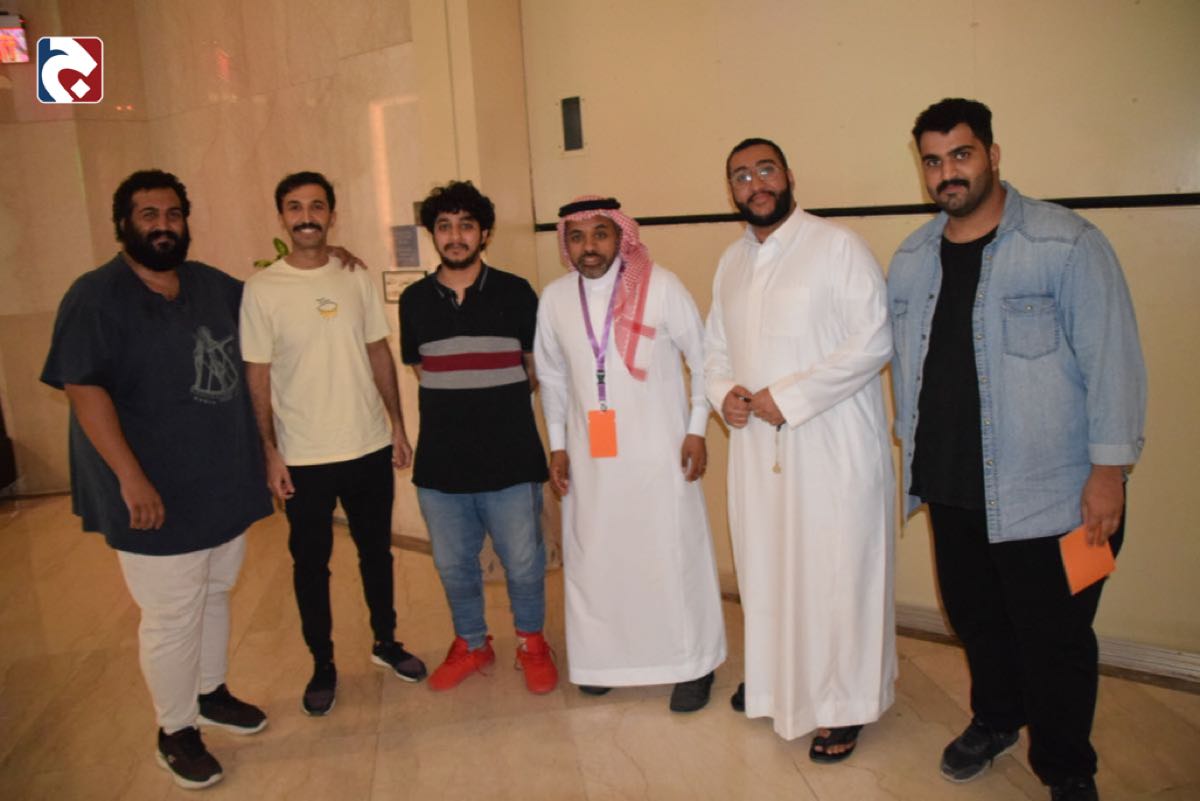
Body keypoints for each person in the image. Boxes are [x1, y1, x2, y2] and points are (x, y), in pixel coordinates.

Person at [887, 98, 1146, 801]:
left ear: (993, 155)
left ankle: (1066, 767)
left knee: (1056, 639)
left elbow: (1114, 364)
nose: (947, 172)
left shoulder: (1067, 244)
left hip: (1050, 492)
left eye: (961, 154)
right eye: (933, 161)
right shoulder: (911, 259)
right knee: (977, 622)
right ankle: (997, 718)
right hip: (951, 486)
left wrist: (1109, 474)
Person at [41, 169, 272, 790]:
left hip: (221, 480)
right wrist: (131, 479)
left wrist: (327, 257)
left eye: (172, 214)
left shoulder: (210, 285)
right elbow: (84, 390)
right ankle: (175, 730)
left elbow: (275, 301)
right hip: (151, 492)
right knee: (172, 614)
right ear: (124, 224)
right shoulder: (96, 296)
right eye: (149, 215)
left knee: (216, 591)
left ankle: (210, 693)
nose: (163, 226)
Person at [704, 138, 896, 761]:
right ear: (731, 190)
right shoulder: (731, 262)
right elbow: (714, 349)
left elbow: (874, 340)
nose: (755, 184)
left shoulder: (837, 247)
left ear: (788, 175)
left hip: (831, 446)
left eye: (765, 170)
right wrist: (724, 394)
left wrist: (788, 395)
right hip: (758, 449)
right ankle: (776, 684)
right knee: (767, 567)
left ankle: (844, 705)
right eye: (741, 176)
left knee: (836, 574)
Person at [240, 171, 426, 718]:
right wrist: (270, 452)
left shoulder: (355, 277)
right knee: (310, 565)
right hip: (303, 457)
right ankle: (322, 664)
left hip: (367, 445)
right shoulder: (262, 289)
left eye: (317, 206)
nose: (307, 217)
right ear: (282, 217)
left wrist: (397, 425)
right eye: (295, 207)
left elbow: (377, 353)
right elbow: (257, 376)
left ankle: (386, 641)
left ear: (332, 215)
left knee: (377, 553)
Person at [534, 196, 726, 711]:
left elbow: (704, 359)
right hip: (591, 460)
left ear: (622, 237)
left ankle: (693, 665)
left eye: (600, 234)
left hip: (660, 455)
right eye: (577, 237)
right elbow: (552, 377)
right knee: (597, 556)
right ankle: (604, 661)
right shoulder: (554, 299)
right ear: (566, 244)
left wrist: (696, 429)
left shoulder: (661, 286)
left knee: (671, 556)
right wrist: (558, 444)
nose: (589, 247)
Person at [399, 180, 557, 694]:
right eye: (444, 226)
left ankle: (532, 643)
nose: (455, 236)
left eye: (466, 225)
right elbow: (423, 369)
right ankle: (472, 643)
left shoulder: (516, 292)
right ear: (433, 234)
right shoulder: (414, 300)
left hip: (511, 458)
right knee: (452, 565)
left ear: (484, 233)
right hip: (441, 463)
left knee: (525, 562)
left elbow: (534, 369)